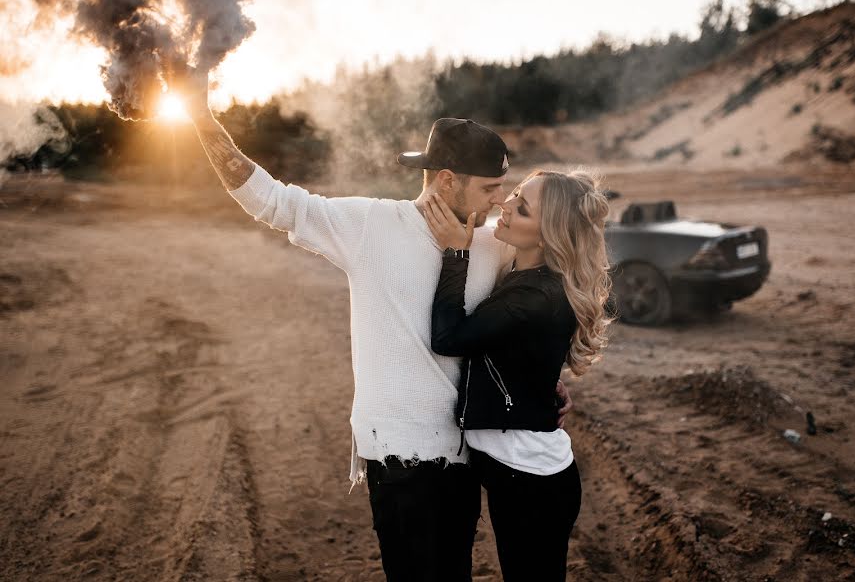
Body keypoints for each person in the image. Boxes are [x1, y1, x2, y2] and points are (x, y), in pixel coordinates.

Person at [176, 68, 572, 582]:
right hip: (400, 459)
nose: (501, 200)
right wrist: (201, 120)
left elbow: (527, 316)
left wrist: (545, 383)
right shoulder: (370, 226)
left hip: (467, 456)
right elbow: (271, 200)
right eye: (492, 188)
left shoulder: (496, 243)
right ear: (447, 180)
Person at [422, 170, 612, 581]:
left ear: (546, 236)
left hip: (531, 481)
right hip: (523, 470)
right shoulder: (526, 276)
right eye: (516, 194)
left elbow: (448, 338)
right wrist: (543, 386)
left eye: (522, 208)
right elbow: (524, 352)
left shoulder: (533, 296)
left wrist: (456, 253)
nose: (505, 205)